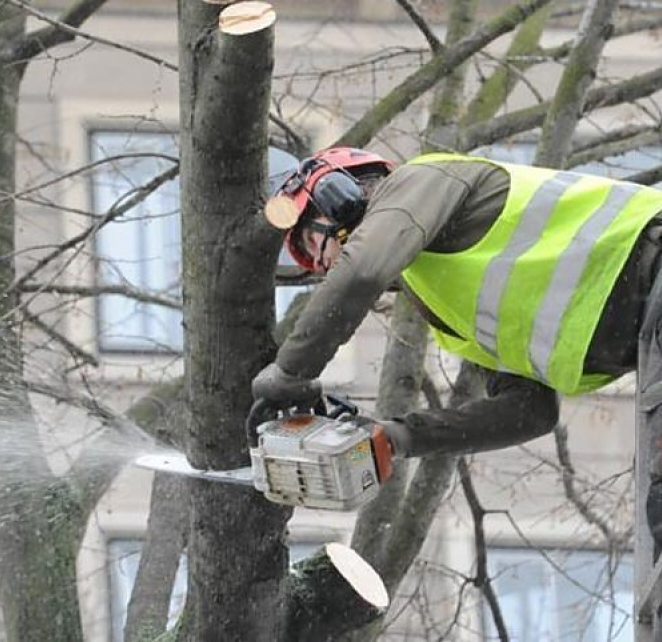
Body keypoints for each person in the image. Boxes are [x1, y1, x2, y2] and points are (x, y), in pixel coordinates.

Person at [251, 146, 662, 544]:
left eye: (311, 244)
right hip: (649, 335)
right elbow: (529, 411)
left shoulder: (421, 181)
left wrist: (291, 373)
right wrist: (394, 439)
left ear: (338, 197)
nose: (322, 267)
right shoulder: (447, 305)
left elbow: (360, 272)